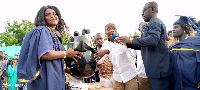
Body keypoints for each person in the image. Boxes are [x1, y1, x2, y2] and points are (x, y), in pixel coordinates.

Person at [17, 5, 82, 90]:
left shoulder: (54, 34)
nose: (52, 16)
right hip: (46, 78)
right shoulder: (42, 30)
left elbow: (57, 57)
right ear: (42, 18)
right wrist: (66, 53)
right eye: (47, 14)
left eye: (55, 14)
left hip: (56, 76)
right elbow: (45, 54)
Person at [117, 1, 172, 90]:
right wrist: (126, 42)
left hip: (158, 71)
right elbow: (144, 45)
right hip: (154, 71)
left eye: (144, 10)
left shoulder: (155, 23)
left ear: (152, 9)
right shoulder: (152, 24)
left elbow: (152, 41)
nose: (142, 14)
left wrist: (130, 40)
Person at [94, 23, 138, 90]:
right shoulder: (106, 44)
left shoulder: (122, 37)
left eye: (114, 28)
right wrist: (95, 60)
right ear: (105, 33)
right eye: (109, 29)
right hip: (117, 76)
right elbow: (101, 58)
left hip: (129, 74)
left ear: (116, 30)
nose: (112, 30)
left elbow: (122, 49)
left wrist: (107, 51)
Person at [170, 16, 200, 90]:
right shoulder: (173, 46)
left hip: (192, 84)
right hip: (176, 84)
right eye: (173, 27)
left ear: (184, 29)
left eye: (176, 27)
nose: (173, 29)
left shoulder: (196, 43)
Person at [135, 22, 151, 90]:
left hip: (154, 76)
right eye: (143, 26)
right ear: (139, 29)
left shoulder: (154, 40)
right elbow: (132, 58)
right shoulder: (136, 43)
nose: (146, 28)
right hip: (142, 75)